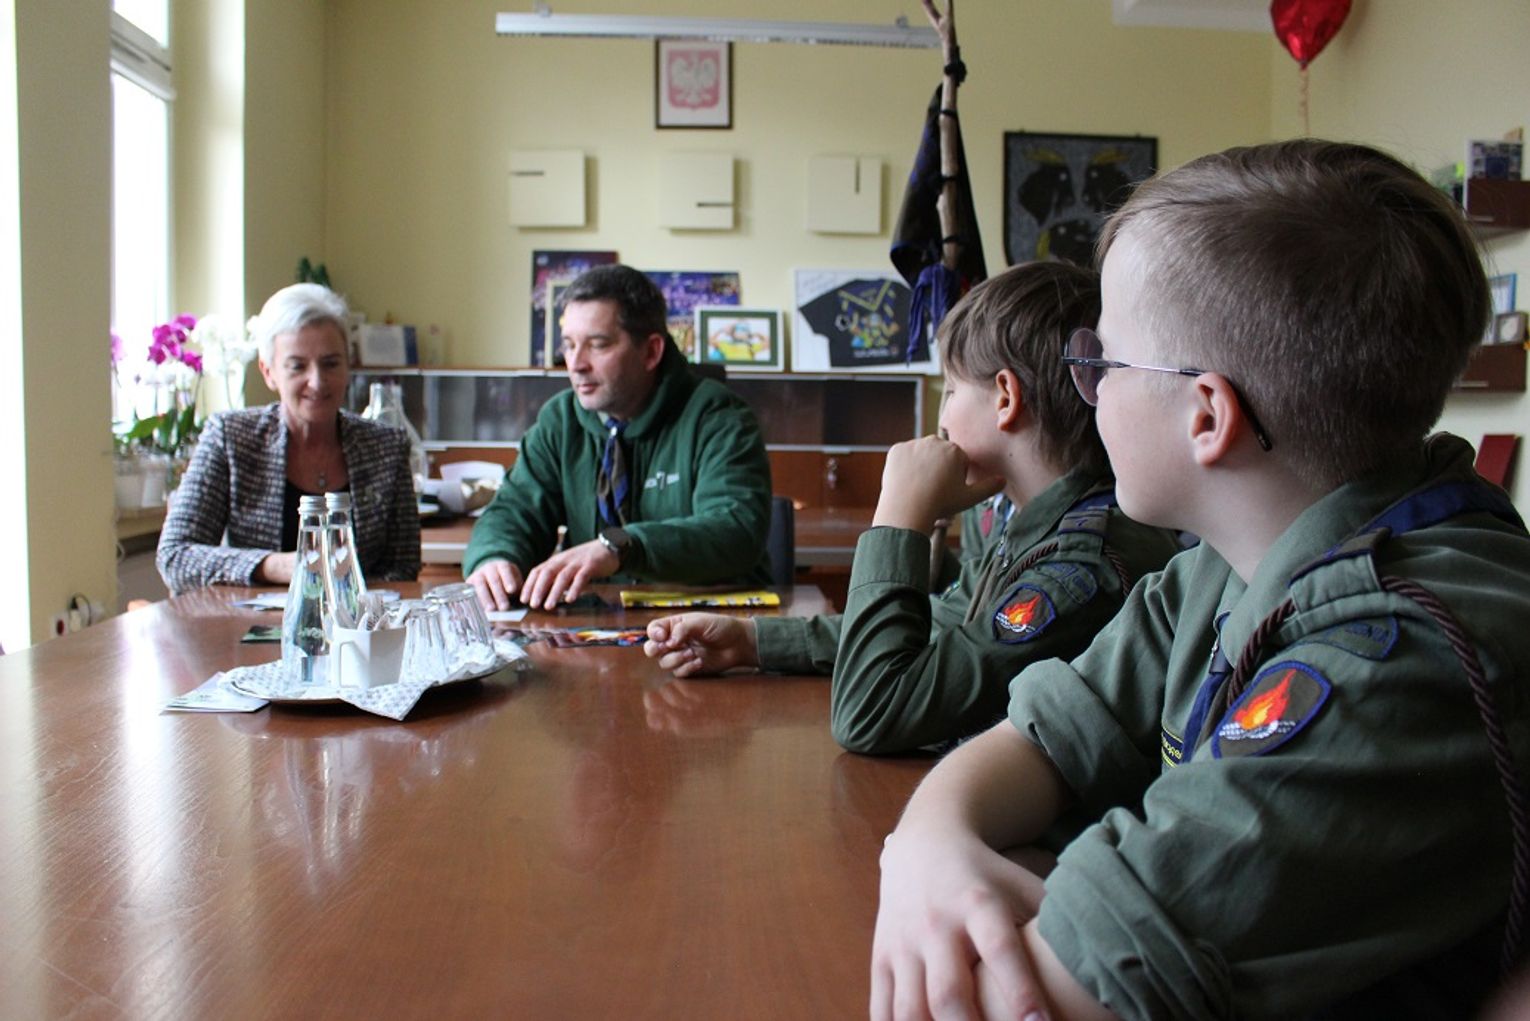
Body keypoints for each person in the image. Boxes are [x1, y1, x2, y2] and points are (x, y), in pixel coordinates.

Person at [870, 139, 1530, 1019]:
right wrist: (928, 843)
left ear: (1207, 415)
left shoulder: (1397, 657)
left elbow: (1020, 997)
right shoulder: (1224, 561)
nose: (1087, 389)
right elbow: (1042, 735)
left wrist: (988, 864)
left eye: (1101, 362)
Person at [643, 263, 1184, 755]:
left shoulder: (1080, 566)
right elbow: (943, 624)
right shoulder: (1035, 523)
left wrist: (899, 516)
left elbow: (871, 713)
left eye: (950, 391)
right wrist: (752, 642)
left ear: (1005, 397)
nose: (941, 419)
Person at [464, 264, 772, 611]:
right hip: (598, 623)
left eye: (597, 345)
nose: (576, 364)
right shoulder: (559, 420)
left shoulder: (719, 417)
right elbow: (515, 510)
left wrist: (622, 547)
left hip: (709, 622)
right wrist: (494, 557)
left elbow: (735, 531)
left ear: (651, 352)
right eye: (569, 345)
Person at [157, 283, 420, 593]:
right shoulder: (230, 438)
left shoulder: (387, 447)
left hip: (356, 621)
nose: (317, 381)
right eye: (297, 366)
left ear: (348, 366)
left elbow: (403, 569)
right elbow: (175, 556)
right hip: (246, 621)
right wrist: (277, 566)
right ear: (268, 372)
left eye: (331, 363)